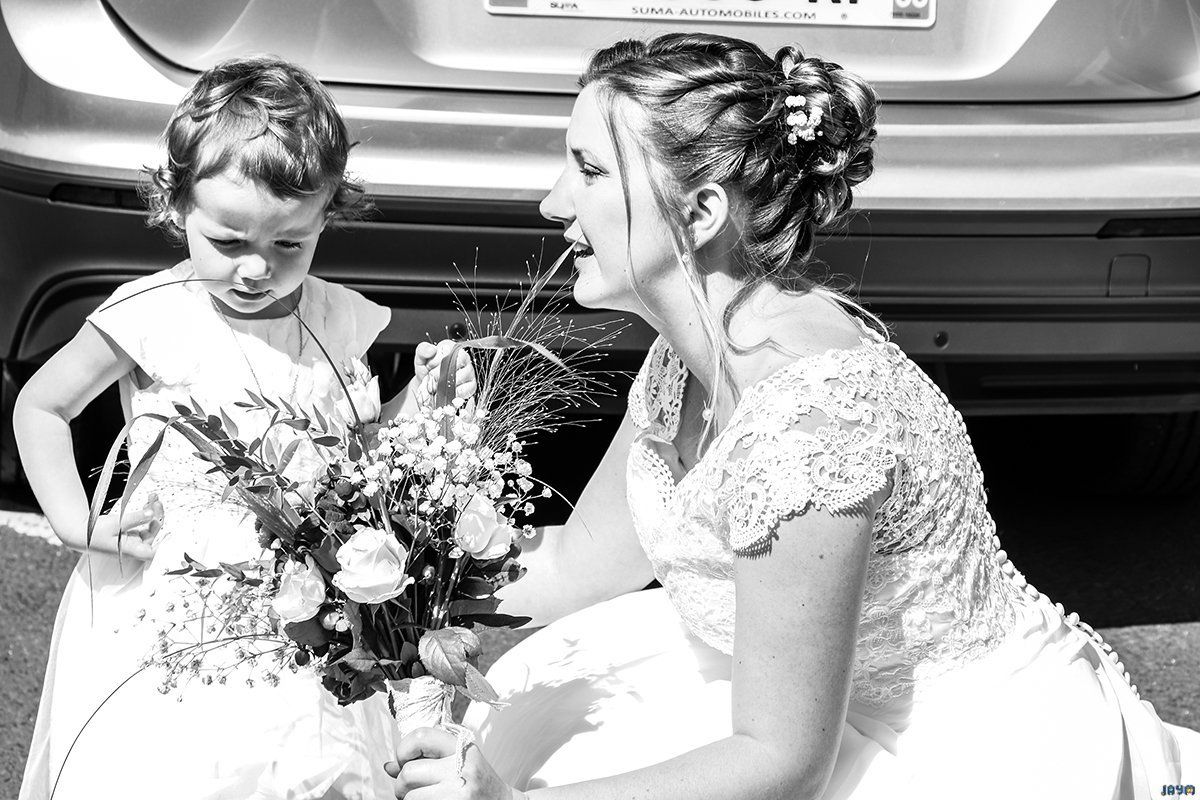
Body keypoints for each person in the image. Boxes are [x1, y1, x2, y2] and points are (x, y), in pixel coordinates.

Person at [387, 33, 1200, 799]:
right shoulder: (689, 355)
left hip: (955, 746)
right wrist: (392, 545)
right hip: (796, 710)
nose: (551, 202)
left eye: (589, 171)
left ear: (701, 212)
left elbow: (783, 763)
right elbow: (575, 568)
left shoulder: (810, 424)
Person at [13, 56, 467, 800]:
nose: (257, 268)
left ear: (326, 217)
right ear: (177, 205)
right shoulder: (155, 314)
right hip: (174, 602)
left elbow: (360, 453)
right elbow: (41, 406)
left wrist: (421, 401)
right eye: (229, 242)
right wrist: (76, 519)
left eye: (289, 244)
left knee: (303, 772)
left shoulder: (335, 319)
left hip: (308, 607)